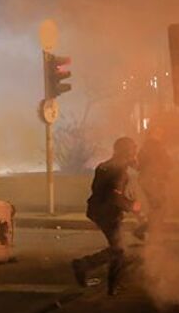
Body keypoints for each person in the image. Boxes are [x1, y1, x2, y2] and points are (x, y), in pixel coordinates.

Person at [72, 137, 141, 296]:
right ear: (126, 152)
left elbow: (100, 190)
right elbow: (114, 196)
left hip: (98, 210)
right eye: (132, 151)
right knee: (119, 249)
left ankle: (113, 286)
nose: (134, 154)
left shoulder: (104, 166)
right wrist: (132, 206)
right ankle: (83, 265)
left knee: (118, 249)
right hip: (108, 213)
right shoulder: (119, 171)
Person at [135, 126, 172, 239]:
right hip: (153, 181)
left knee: (157, 207)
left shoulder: (145, 147)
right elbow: (167, 162)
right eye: (159, 132)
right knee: (158, 207)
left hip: (149, 180)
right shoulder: (156, 146)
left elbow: (139, 165)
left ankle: (150, 231)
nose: (161, 135)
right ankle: (147, 230)